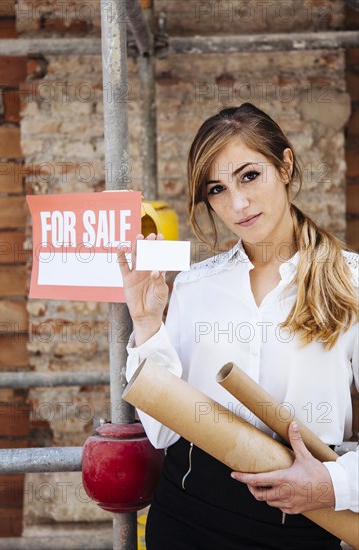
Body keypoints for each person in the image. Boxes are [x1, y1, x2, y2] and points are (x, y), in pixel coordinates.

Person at [118, 103, 358, 550]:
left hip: (302, 519)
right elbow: (163, 432)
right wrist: (148, 322)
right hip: (186, 512)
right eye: (217, 189)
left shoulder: (352, 282)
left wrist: (336, 485)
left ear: (284, 166)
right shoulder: (194, 285)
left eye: (250, 176)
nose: (238, 204)